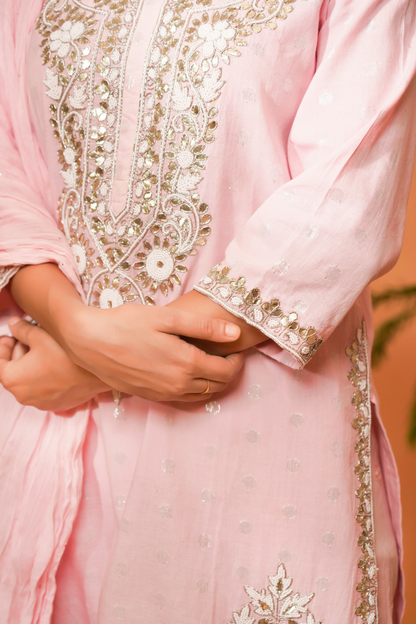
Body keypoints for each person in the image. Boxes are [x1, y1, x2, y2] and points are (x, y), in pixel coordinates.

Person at [0, 0, 415, 622]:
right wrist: (76, 326)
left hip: (252, 423)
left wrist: (91, 363)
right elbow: (7, 161)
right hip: (50, 428)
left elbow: (348, 191)